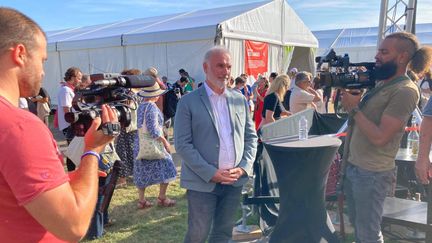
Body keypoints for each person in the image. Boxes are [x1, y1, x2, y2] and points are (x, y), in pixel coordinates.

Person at [0, 7, 117, 242]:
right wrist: (92, 152)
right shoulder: (20, 127)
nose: (43, 72)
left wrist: (64, 182)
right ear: (20, 54)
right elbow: (73, 225)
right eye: (42, 60)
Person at [341, 31, 432, 243]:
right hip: (356, 166)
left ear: (402, 57)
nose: (377, 56)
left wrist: (354, 109)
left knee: (368, 233)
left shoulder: (405, 90)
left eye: (384, 52)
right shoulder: (383, 84)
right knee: (359, 226)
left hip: (371, 173)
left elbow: (381, 137)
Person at [174, 46, 257, 243]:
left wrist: (244, 167)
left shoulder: (239, 100)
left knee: (223, 233)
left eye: (228, 66)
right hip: (203, 183)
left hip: (233, 181)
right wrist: (210, 172)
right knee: (198, 234)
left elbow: (251, 138)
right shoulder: (188, 102)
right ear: (205, 67)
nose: (226, 71)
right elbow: (182, 144)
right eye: (220, 65)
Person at [134, 82, 177, 209]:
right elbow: (154, 130)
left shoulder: (141, 106)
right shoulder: (151, 107)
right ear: (155, 95)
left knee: (141, 170)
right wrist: (165, 142)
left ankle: (141, 200)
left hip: (140, 144)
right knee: (168, 165)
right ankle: (162, 197)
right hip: (152, 144)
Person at [115, 68, 142, 188]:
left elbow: (125, 109)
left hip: (127, 126)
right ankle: (135, 176)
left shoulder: (129, 94)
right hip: (134, 126)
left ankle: (122, 179)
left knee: (123, 153)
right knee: (133, 152)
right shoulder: (138, 93)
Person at [57, 66, 82, 171]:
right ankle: (71, 172)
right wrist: (74, 124)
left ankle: (73, 172)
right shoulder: (66, 90)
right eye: (79, 78)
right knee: (73, 150)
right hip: (70, 124)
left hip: (72, 124)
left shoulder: (68, 89)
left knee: (74, 149)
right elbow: (67, 109)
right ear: (72, 77)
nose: (80, 80)